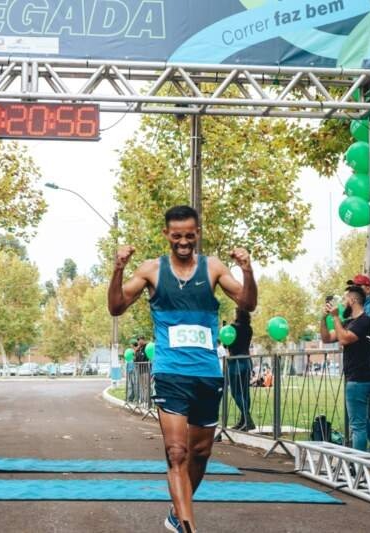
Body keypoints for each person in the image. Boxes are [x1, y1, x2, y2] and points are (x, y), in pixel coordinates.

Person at [107, 205, 257, 533]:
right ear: (167, 235)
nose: (184, 242)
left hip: (206, 374)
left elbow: (247, 303)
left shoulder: (214, 267)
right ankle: (188, 527)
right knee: (177, 452)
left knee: (200, 453)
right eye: (177, 236)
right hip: (171, 373)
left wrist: (247, 270)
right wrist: (118, 268)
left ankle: (177, 512)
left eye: (190, 235)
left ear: (197, 234)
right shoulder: (151, 270)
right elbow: (116, 306)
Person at [321, 285, 370, 452]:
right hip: (356, 378)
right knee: (364, 420)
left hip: (360, 379)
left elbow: (344, 339)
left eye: (345, 299)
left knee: (357, 426)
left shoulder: (365, 321)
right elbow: (327, 338)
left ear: (353, 300)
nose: (342, 303)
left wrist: (336, 318)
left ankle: (357, 465)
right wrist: (323, 319)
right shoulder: (349, 322)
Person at [227, 308, 254, 430]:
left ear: (237, 314)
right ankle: (243, 420)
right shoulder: (249, 328)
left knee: (236, 392)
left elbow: (229, 344)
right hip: (247, 361)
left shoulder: (233, 327)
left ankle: (247, 418)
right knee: (245, 392)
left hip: (235, 362)